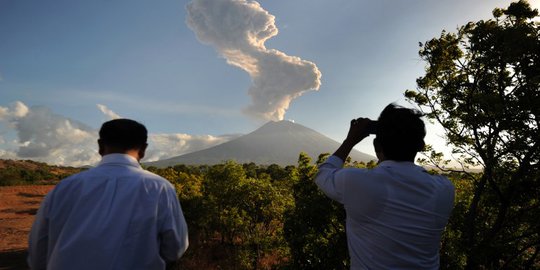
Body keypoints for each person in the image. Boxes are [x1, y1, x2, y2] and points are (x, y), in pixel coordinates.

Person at [28, 119, 189, 270]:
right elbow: (175, 248)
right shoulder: (160, 187)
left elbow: (38, 248)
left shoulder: (64, 187)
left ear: (100, 145)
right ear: (144, 149)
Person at [315, 104, 455, 269]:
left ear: (376, 146)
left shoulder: (358, 182)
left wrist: (350, 140)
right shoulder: (444, 190)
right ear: (421, 146)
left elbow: (324, 173)